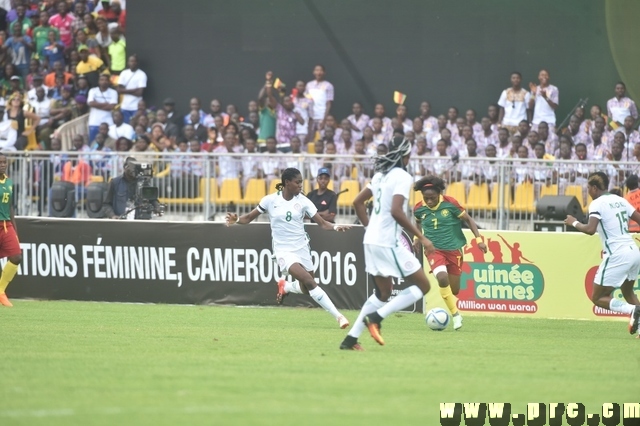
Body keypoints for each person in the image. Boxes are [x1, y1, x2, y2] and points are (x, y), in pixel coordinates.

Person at [340, 137, 435, 350]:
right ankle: (376, 318)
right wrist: (421, 237)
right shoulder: (402, 176)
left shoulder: (380, 175)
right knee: (423, 285)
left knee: (383, 293)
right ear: (405, 156)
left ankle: (350, 340)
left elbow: (357, 202)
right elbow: (396, 211)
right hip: (386, 241)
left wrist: (369, 228)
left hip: (371, 240)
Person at [225, 167, 351, 329]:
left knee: (306, 288)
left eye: (301, 182)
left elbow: (323, 223)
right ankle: (339, 316)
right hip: (283, 251)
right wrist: (236, 220)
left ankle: (286, 286)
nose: (300, 186)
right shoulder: (270, 200)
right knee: (309, 282)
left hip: (302, 247)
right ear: (287, 183)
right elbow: (248, 218)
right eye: (297, 182)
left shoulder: (303, 201)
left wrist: (335, 227)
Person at [564, 171, 640, 336]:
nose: (588, 192)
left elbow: (590, 229)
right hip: (633, 251)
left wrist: (574, 222)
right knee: (628, 292)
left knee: (597, 297)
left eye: (588, 188)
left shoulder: (597, 204)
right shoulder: (620, 200)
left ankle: (633, 309)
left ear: (594, 188)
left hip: (617, 254)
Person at [412, 175, 487, 330]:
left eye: (432, 198)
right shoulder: (419, 208)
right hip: (433, 250)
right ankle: (456, 315)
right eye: (426, 198)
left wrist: (479, 240)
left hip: (453, 250)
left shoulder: (450, 204)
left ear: (439, 194)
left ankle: (453, 307)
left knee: (455, 290)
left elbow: (469, 220)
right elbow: (418, 223)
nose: (429, 201)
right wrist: (417, 238)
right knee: (442, 277)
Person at [0, 153, 22, 307]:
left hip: (6, 225)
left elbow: (10, 206)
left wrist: (14, 227)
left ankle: (1, 291)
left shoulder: (9, 182)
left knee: (16, 256)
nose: (2, 165)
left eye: (4, 162)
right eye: (0, 162)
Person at [116, 54, 146, 124]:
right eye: (131, 61)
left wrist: (124, 91)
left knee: (135, 126)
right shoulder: (124, 73)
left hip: (136, 107)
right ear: (128, 62)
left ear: (137, 63)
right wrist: (133, 90)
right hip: (125, 106)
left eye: (134, 61)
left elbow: (139, 93)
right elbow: (118, 90)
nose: (132, 63)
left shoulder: (142, 74)